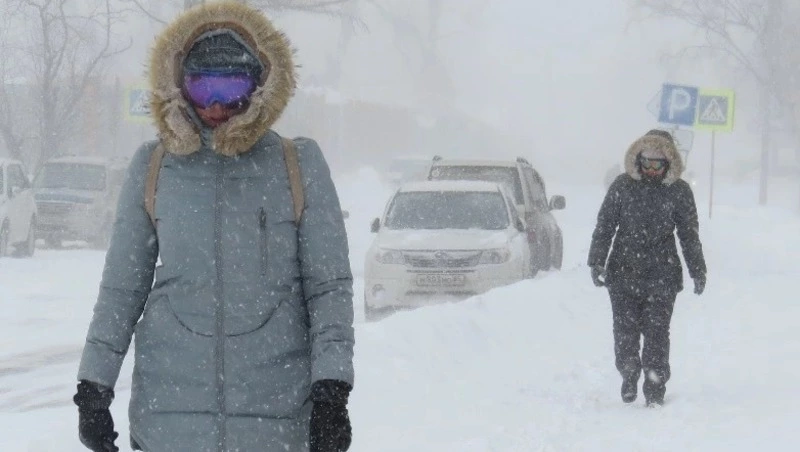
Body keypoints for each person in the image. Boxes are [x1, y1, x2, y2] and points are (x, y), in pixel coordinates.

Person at [72, 2, 354, 451]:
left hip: (275, 420)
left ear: (260, 84)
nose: (218, 106)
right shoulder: (154, 167)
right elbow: (122, 288)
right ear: (181, 87)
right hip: (170, 420)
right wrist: (94, 385)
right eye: (204, 88)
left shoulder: (297, 166)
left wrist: (332, 391)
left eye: (233, 87)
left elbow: (328, 288)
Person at [588, 129, 706, 407]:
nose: (651, 169)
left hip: (662, 277)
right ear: (637, 159)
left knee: (656, 334)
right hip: (622, 273)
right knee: (625, 332)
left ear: (669, 163)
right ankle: (629, 373)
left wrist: (697, 270)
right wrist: (597, 260)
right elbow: (605, 225)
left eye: (658, 163)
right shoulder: (622, 186)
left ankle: (654, 386)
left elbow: (689, 235)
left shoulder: (678, 192)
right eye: (646, 162)